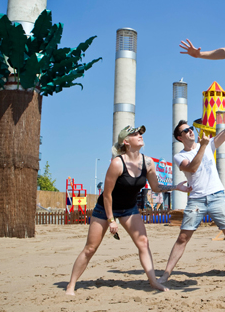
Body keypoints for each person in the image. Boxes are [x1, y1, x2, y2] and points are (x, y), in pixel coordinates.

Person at [66, 125, 191, 295]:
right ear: (126, 142)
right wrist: (111, 220)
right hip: (105, 209)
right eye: (135, 134)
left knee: (143, 243)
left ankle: (153, 281)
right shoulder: (117, 163)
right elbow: (107, 194)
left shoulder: (148, 162)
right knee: (90, 248)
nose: (140, 135)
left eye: (140, 133)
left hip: (129, 208)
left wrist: (176, 187)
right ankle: (71, 285)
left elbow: (155, 187)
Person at [158, 92, 225, 283]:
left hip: (217, 195)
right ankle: (166, 274)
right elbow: (192, 167)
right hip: (197, 199)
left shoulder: (207, 143)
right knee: (183, 237)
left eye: (190, 128)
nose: (191, 131)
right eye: (186, 130)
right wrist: (203, 147)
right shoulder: (180, 156)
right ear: (180, 137)